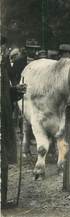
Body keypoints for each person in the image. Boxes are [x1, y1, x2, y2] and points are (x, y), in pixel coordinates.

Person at [1, 37, 27, 208]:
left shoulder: (2, 68)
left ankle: (2, 201)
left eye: (3, 49)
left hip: (3, 119)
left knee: (2, 162)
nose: (3, 53)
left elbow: (4, 93)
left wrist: (15, 91)